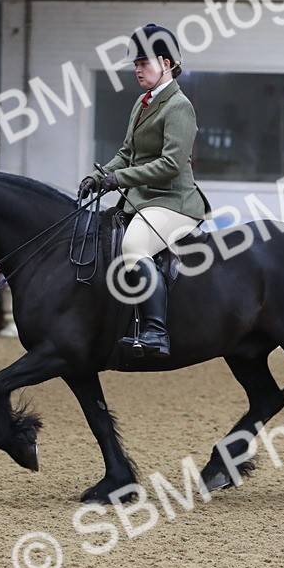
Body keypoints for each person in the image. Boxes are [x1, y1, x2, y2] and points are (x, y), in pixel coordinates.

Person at [79, 24, 210, 358]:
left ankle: (155, 332)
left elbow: (171, 164)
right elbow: (127, 153)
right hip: (143, 200)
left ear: (166, 64)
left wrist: (121, 180)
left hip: (174, 201)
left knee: (134, 245)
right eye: (135, 64)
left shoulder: (178, 106)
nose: (137, 70)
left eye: (143, 63)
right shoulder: (143, 102)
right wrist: (100, 176)